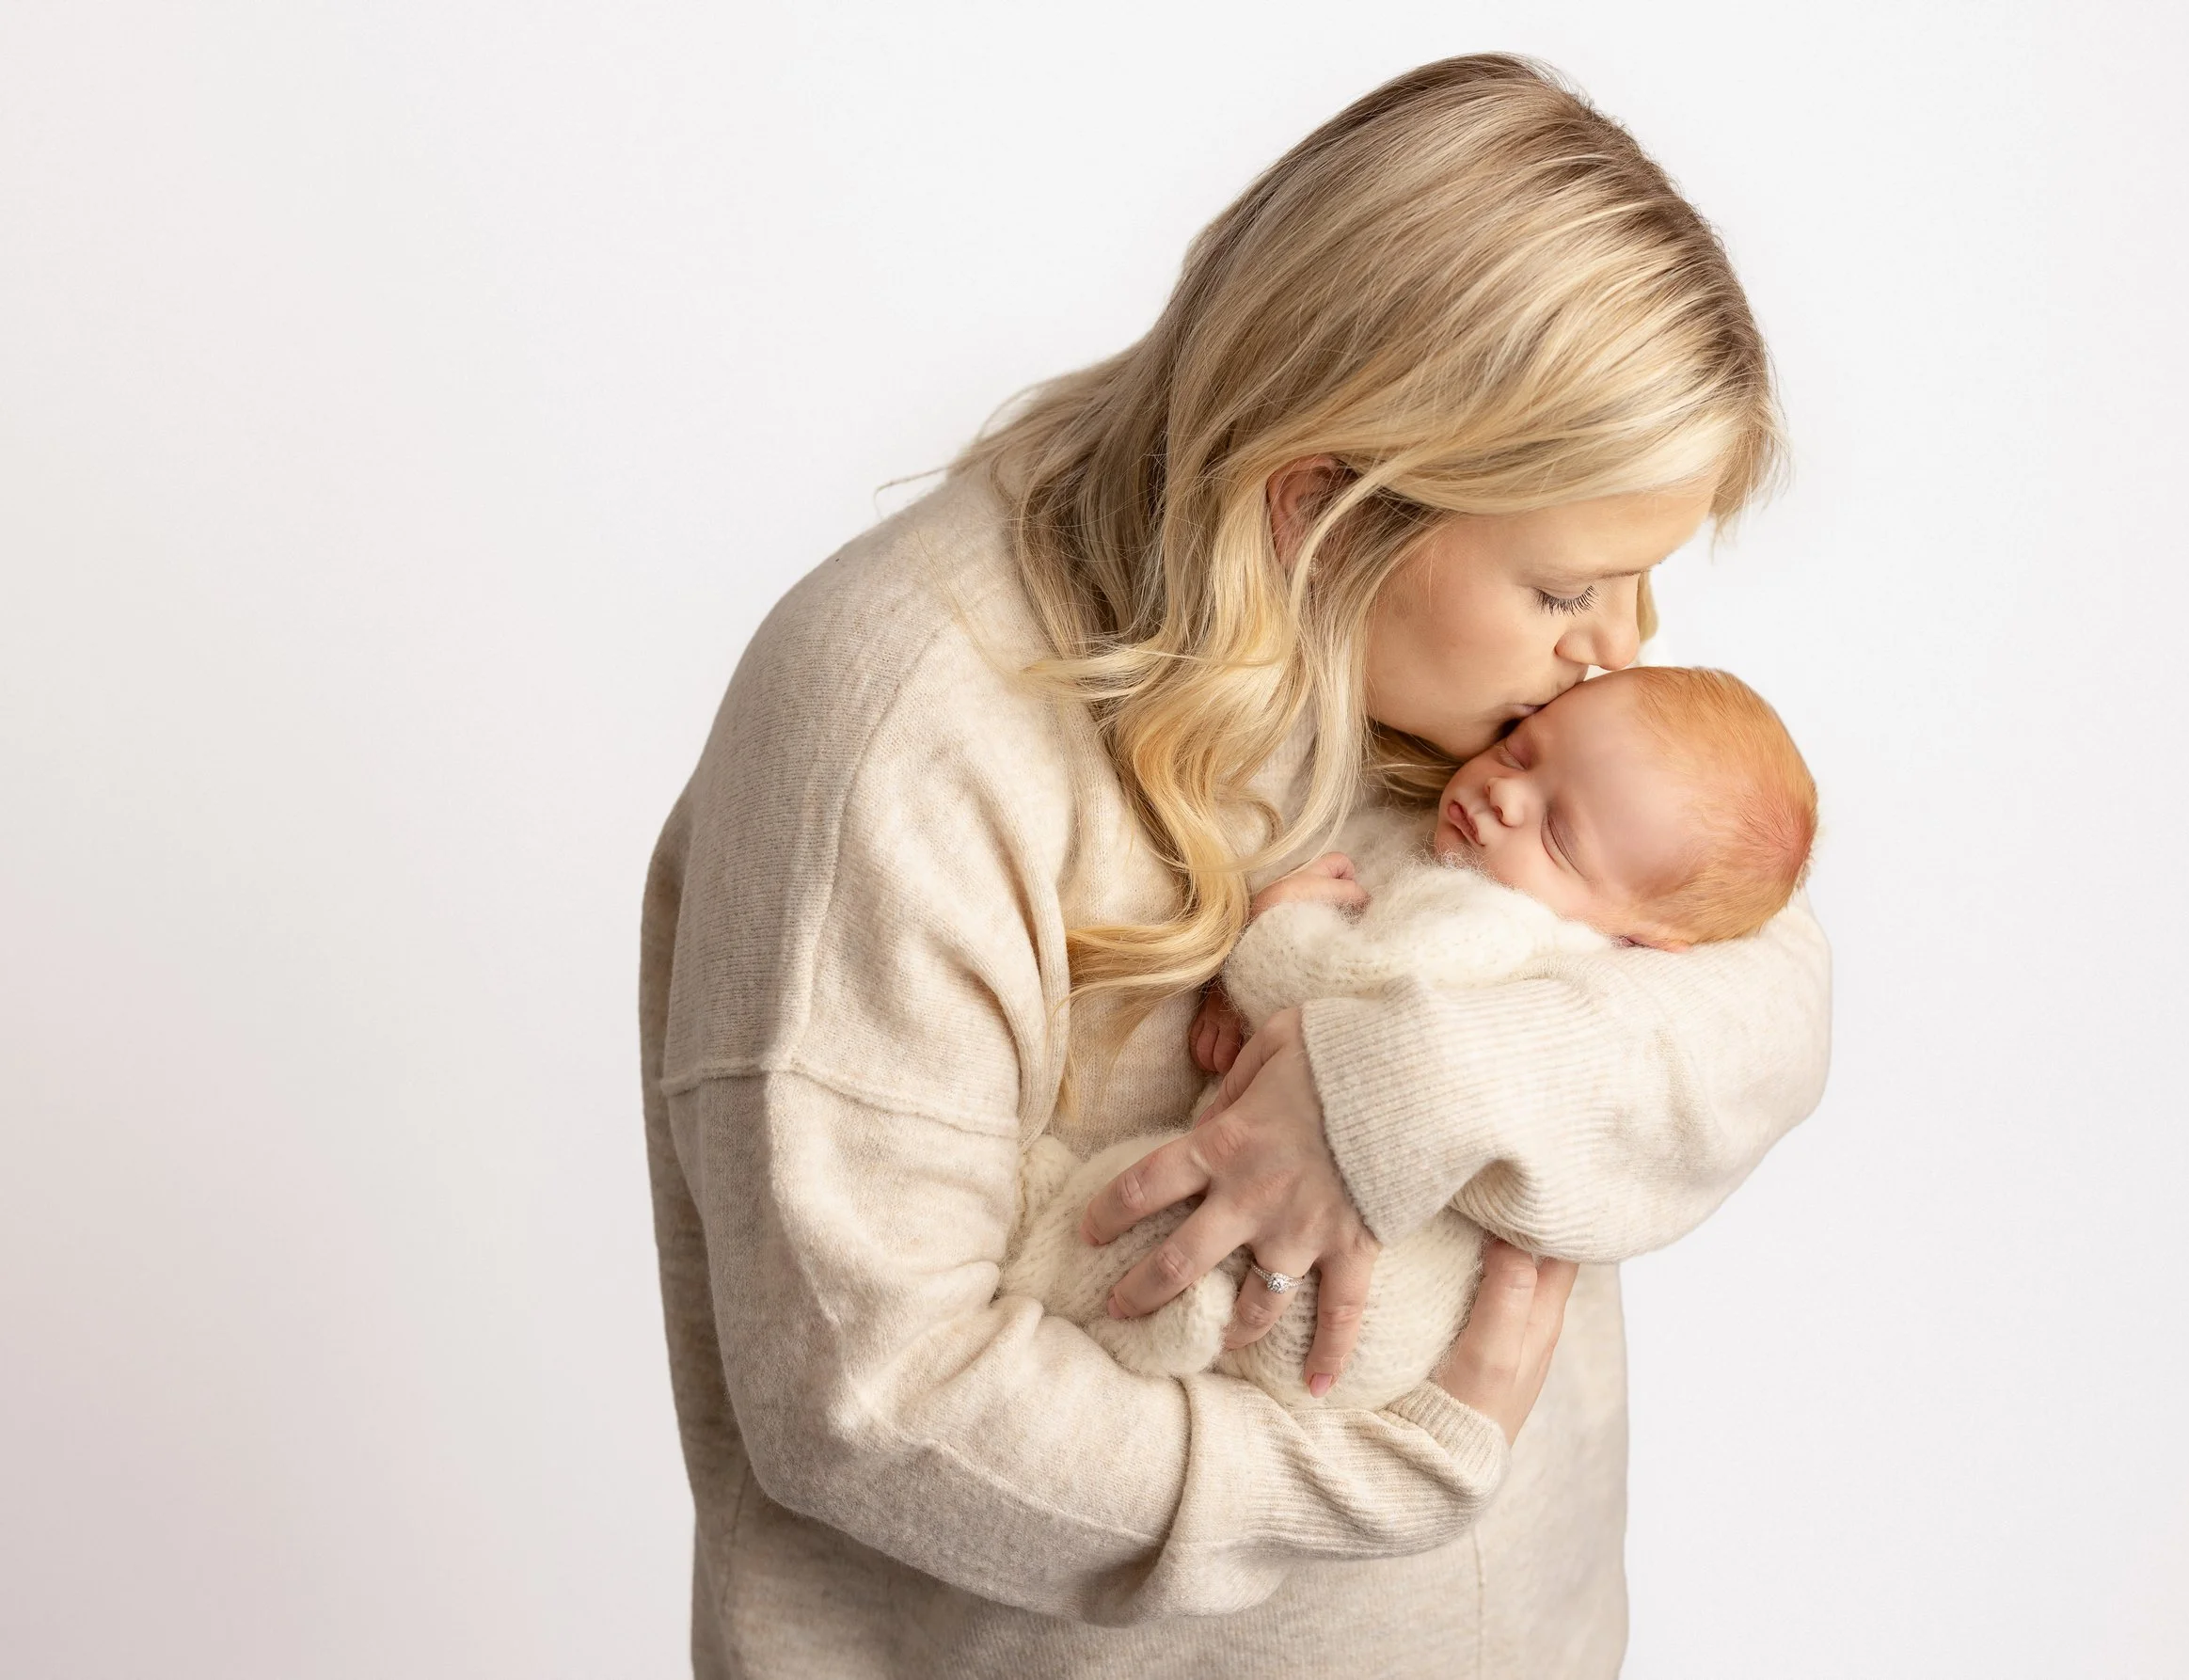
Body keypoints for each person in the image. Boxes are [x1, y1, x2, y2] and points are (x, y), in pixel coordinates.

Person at [639, 53, 1831, 1678]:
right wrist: (1374, 1475)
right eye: (1571, 589)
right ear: (1320, 510)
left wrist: (1400, 1088)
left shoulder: (1486, 700)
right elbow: (870, 1397)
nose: (1626, 651)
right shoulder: (895, 722)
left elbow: (1763, 968)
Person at [1002, 665, 1819, 1413]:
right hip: (1392, 1324)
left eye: (1560, 835)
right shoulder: (1592, 885)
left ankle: (1056, 1251)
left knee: (1127, 1210)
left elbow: (1344, 1002)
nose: (1507, 795)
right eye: (1520, 748)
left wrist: (1279, 928)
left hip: (1341, 1287)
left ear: (1647, 936)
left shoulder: (1490, 923)